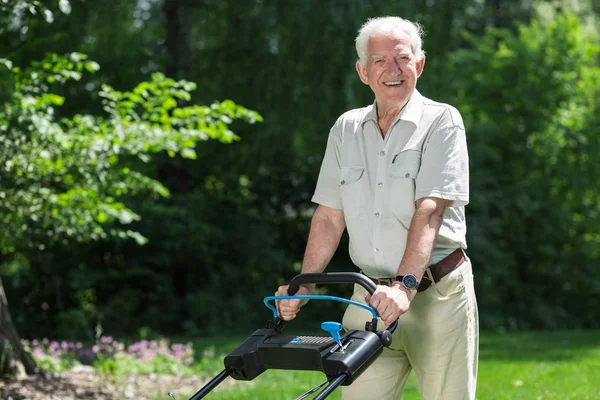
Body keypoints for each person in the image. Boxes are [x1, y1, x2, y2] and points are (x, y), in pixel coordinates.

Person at [275, 16, 478, 400]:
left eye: (402, 58)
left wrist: (404, 287)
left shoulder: (442, 121)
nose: (392, 70)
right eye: (380, 61)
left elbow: (430, 209)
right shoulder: (345, 128)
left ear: (419, 64)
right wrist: (305, 284)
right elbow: (330, 215)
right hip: (366, 297)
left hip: (437, 294)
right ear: (363, 72)